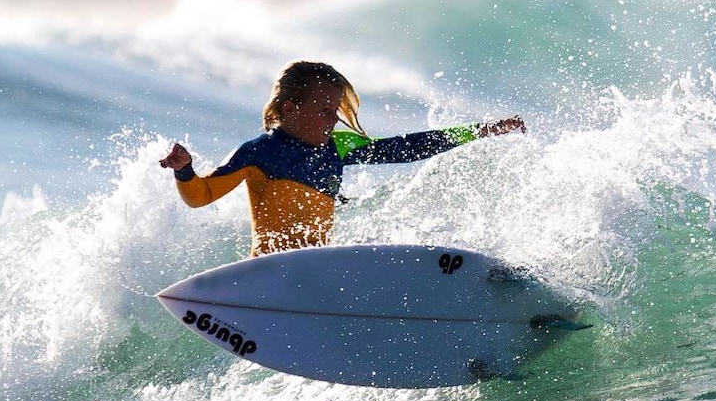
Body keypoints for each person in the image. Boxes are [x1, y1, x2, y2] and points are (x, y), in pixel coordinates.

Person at [160, 60, 525, 256]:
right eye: (323, 110)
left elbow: (408, 147)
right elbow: (201, 196)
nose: (333, 119)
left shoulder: (338, 147)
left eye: (335, 111)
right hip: (268, 271)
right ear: (290, 108)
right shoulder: (259, 152)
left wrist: (478, 131)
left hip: (317, 267)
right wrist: (185, 170)